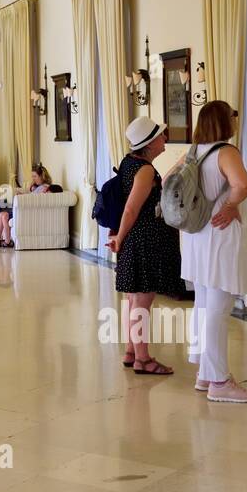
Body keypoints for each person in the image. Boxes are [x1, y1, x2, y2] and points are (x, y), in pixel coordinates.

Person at [178, 101, 247, 404]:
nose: (236, 120)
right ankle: (220, 381)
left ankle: (204, 373)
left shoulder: (194, 151)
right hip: (220, 237)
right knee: (219, 309)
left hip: (197, 237)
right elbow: (242, 184)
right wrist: (229, 206)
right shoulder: (226, 152)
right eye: (233, 115)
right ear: (224, 121)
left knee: (203, 303)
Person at [106, 117, 186, 376]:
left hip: (136, 239)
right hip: (143, 240)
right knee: (141, 300)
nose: (165, 140)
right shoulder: (145, 170)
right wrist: (120, 237)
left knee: (134, 298)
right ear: (150, 143)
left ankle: (132, 351)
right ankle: (143, 358)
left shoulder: (131, 164)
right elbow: (132, 208)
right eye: (161, 136)